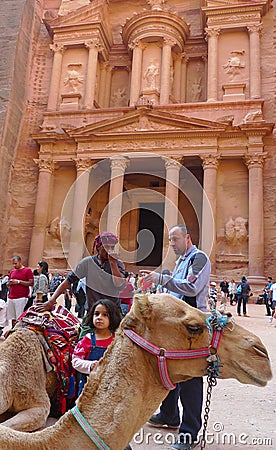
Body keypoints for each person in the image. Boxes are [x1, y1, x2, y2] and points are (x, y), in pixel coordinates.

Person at [144, 224, 211, 450]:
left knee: (191, 377)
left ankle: (190, 432)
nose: (171, 244)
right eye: (170, 240)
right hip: (176, 326)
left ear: (188, 238)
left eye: (175, 239)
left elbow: (191, 288)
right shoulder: (181, 261)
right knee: (169, 370)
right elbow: (175, 293)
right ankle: (169, 414)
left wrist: (162, 279)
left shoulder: (198, 259)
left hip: (192, 328)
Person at [35, 232, 126, 313]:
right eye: (107, 247)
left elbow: (119, 285)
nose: (110, 250)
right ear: (98, 247)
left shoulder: (118, 264)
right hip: (93, 312)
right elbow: (68, 280)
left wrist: (113, 264)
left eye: (112, 247)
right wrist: (51, 301)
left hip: (113, 312)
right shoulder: (88, 263)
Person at [72, 299, 122, 395]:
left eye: (105, 315)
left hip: (110, 388)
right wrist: (90, 366)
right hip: (88, 387)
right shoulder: (87, 339)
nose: (99, 318)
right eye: (96, 314)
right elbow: (75, 361)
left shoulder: (116, 341)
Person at [7, 256, 34, 328]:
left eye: (15, 263)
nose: (14, 265)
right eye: (13, 264)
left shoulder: (27, 270)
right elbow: (8, 282)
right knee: (12, 317)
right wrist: (9, 283)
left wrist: (18, 282)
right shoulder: (12, 271)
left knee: (19, 317)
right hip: (11, 297)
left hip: (21, 298)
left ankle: (18, 331)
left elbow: (31, 283)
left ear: (20, 262)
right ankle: (12, 331)